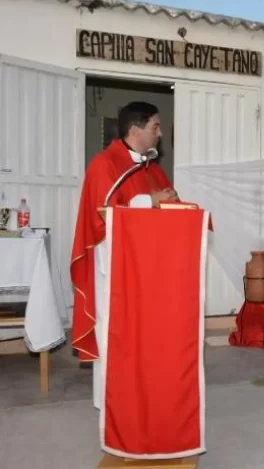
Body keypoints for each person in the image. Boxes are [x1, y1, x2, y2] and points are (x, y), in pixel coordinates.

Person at [70, 101, 178, 407]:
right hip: (116, 269)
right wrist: (151, 201)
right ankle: (113, 403)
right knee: (116, 334)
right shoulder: (105, 164)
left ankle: (142, 396)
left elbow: (167, 205)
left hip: (149, 269)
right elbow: (102, 215)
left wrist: (172, 202)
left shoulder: (151, 168)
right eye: (155, 127)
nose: (160, 134)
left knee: (146, 339)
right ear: (135, 130)